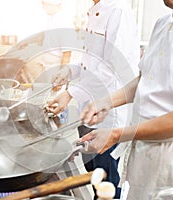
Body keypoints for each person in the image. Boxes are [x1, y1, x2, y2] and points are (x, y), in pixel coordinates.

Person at [78, 0, 173, 199]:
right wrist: (106, 102)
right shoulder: (162, 23)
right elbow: (147, 79)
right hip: (142, 148)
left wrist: (117, 134)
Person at [47, 0, 140, 198]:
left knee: (106, 182)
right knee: (93, 175)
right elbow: (92, 60)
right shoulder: (95, 9)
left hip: (109, 116)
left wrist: (71, 93)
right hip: (90, 111)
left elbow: (111, 70)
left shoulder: (118, 10)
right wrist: (70, 71)